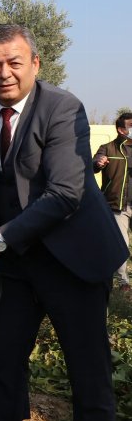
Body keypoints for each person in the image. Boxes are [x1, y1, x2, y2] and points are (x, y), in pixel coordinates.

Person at [0, 24, 128, 421]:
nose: (4, 73)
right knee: (4, 366)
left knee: (87, 373)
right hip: (17, 262)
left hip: (72, 257)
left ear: (35, 64)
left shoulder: (62, 107)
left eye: (14, 62)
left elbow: (64, 193)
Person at [93, 111, 132, 292]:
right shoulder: (107, 148)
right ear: (121, 130)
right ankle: (123, 281)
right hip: (117, 205)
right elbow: (93, 165)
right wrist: (98, 162)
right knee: (121, 244)